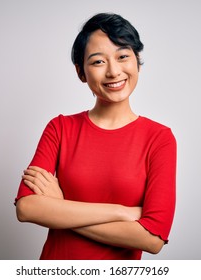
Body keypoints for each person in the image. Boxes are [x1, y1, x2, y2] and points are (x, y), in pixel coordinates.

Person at [14, 12, 176, 260]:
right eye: (98, 62)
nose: (113, 71)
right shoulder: (60, 128)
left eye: (123, 56)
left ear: (137, 62)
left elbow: (152, 239)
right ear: (81, 72)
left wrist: (61, 206)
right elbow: (27, 208)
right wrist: (122, 212)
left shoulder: (159, 138)